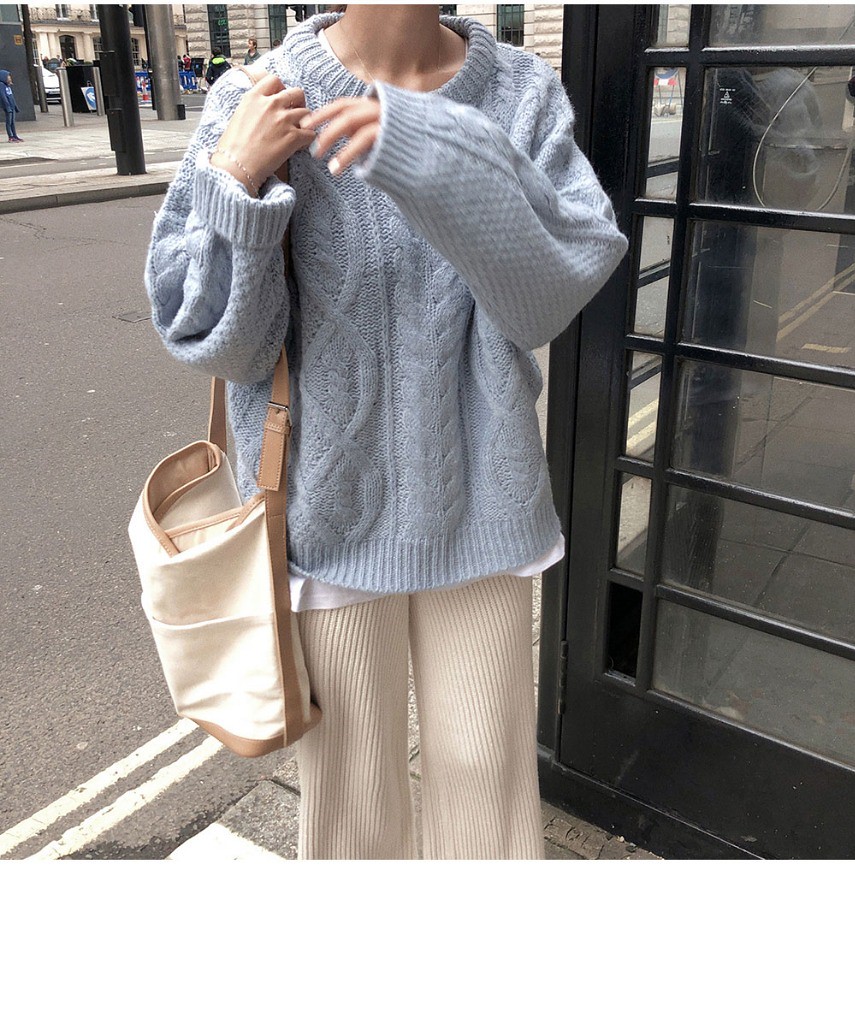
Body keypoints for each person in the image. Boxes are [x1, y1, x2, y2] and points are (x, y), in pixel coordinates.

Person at [144, 5, 628, 859]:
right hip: (327, 512)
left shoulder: (520, 91)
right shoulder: (257, 96)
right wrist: (237, 181)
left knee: (486, 790)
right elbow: (219, 343)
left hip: (482, 503)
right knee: (352, 806)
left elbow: (547, 301)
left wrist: (434, 151)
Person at [0, 70, 22, 143]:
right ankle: (11, 136)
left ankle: (15, 135)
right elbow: (3, 96)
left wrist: (15, 106)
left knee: (13, 122)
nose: (9, 78)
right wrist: (7, 106)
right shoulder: (1, 85)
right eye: (8, 76)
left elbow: (11, 97)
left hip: (12, 106)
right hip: (8, 107)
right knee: (9, 122)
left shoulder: (8, 86)